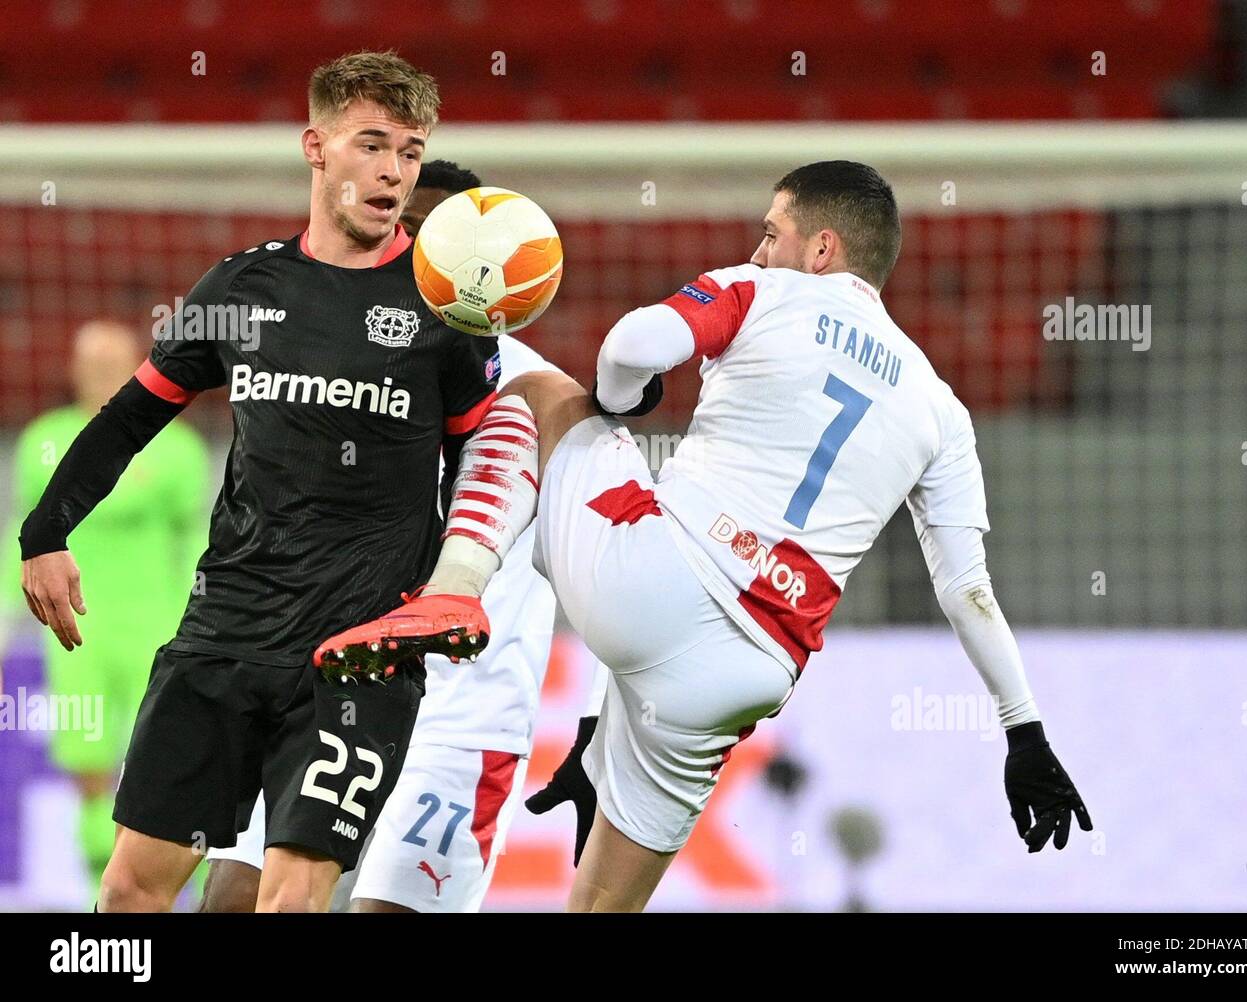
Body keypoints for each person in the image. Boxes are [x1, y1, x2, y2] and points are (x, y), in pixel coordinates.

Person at [317, 160, 1092, 912]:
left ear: (820, 248)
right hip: (747, 673)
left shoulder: (763, 290)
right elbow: (967, 591)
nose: (761, 248)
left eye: (773, 230)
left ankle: (452, 592)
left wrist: (622, 399)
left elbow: (628, 347)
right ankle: (598, 727)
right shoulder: (942, 410)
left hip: (651, 579)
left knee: (538, 390)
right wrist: (1024, 734)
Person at [17, 51, 498, 912]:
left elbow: (482, 466)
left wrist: (456, 585)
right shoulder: (242, 286)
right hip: (224, 634)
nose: (393, 171)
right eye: (372, 144)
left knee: (287, 900)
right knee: (130, 889)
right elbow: (131, 416)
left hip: (360, 656)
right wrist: (44, 534)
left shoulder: (446, 314)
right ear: (317, 148)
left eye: (412, 152)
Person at [200, 160, 594, 913]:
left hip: (461, 718)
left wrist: (597, 723)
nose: (418, 257)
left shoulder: (544, 394)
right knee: (233, 899)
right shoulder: (328, 366)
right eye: (407, 232)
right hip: (320, 689)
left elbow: (610, 564)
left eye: (438, 241)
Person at [3, 320, 209, 886]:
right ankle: (101, 883)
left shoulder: (177, 446)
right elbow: (21, 536)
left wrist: (202, 615)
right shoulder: (44, 439)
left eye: (111, 362)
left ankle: (169, 883)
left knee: (162, 756)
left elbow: (192, 540)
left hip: (154, 621)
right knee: (87, 756)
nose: (100, 373)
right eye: (90, 363)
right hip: (70, 625)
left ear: (137, 366)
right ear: (73, 370)